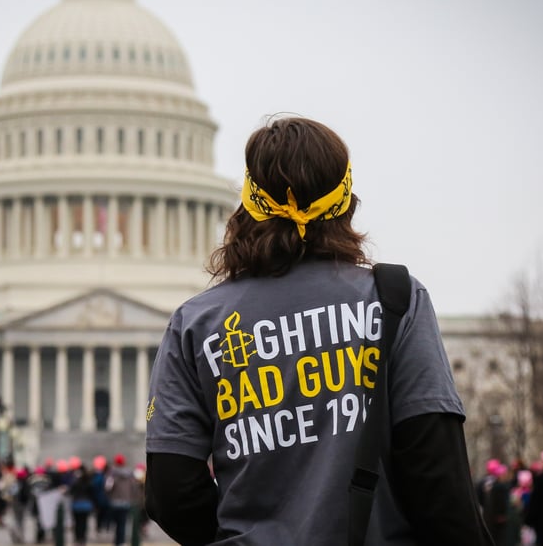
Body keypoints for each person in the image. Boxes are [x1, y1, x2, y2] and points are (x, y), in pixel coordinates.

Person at [143, 115, 492, 545]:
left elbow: (169, 489)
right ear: (346, 202)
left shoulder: (195, 323)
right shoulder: (393, 300)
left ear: (246, 205)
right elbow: (437, 474)